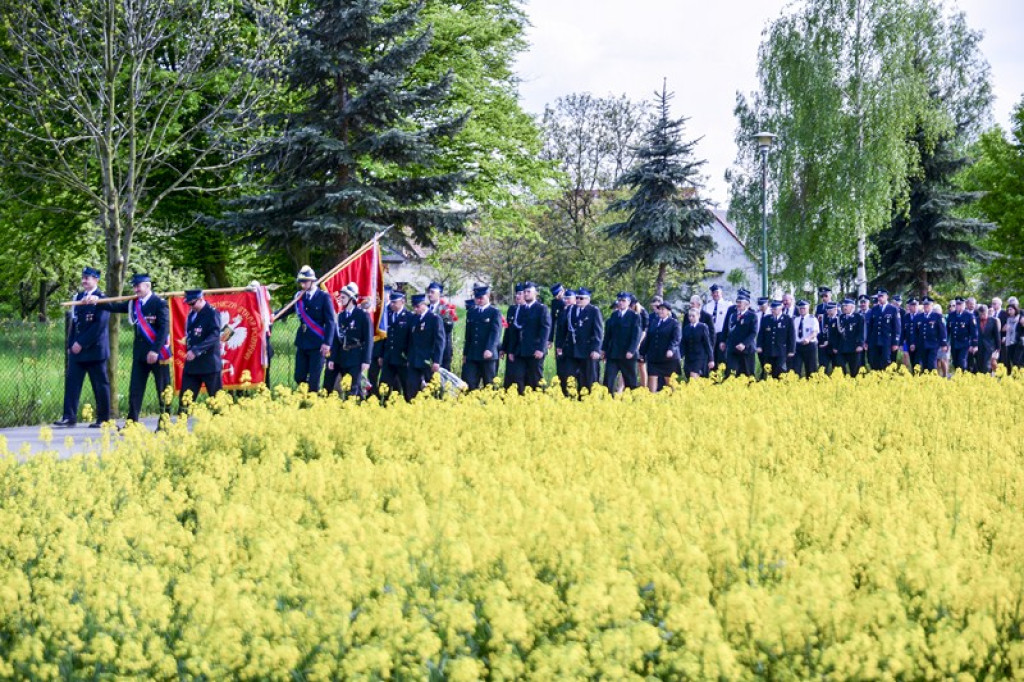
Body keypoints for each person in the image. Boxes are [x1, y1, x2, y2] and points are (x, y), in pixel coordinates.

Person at [90, 273, 171, 425]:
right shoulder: (134, 303)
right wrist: (98, 299)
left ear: (147, 286)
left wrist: (155, 350)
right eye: (134, 286)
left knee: (163, 389)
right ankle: (132, 423)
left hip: (158, 354)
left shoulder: (159, 303)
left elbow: (164, 329)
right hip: (140, 355)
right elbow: (113, 306)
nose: (135, 289)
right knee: (135, 390)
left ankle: (165, 423)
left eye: (138, 286)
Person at [54, 266, 111, 428]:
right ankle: (69, 416)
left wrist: (81, 343)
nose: (84, 281)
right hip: (77, 352)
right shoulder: (78, 297)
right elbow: (75, 323)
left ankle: (103, 419)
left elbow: (99, 326)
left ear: (96, 280)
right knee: (72, 384)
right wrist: (71, 344)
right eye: (83, 278)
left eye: (88, 278)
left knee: (100, 385)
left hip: (95, 350)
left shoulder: (102, 299)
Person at [275, 266, 337, 391]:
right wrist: (273, 316)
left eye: (305, 282)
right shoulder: (299, 296)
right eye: (301, 282)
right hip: (302, 342)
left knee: (314, 380)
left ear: (312, 281)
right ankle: (305, 394)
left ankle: (312, 400)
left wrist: (327, 343)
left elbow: (331, 322)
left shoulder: (323, 297)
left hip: (318, 344)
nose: (302, 285)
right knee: (299, 376)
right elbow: (288, 309)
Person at [178, 289, 222, 409]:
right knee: (185, 400)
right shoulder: (192, 314)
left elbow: (214, 335)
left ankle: (222, 419)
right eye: (188, 304)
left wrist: (197, 350)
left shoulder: (212, 313)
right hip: (192, 365)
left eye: (193, 303)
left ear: (201, 299)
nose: (191, 306)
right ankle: (181, 419)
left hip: (209, 363)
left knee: (217, 401)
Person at [327, 282, 373, 397]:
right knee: (349, 387)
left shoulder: (363, 315)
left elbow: (368, 339)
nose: (341, 299)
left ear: (351, 299)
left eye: (343, 297)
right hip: (343, 357)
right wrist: (332, 358)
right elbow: (337, 340)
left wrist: (366, 360)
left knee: (353, 388)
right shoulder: (341, 316)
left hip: (356, 356)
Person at [403, 293, 444, 400]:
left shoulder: (434, 318)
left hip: (428, 359)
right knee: (411, 387)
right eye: (414, 307)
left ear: (424, 305)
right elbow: (410, 340)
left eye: (417, 306)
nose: (415, 309)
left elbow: (439, 341)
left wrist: (437, 360)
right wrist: (409, 357)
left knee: (432, 388)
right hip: (414, 359)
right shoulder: (414, 319)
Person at [462, 284, 503, 390]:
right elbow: (468, 335)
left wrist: (490, 348)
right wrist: (465, 353)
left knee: (489, 384)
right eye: (477, 298)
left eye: (481, 297)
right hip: (473, 354)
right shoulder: (471, 312)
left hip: (487, 354)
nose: (479, 300)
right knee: (469, 383)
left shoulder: (494, 312)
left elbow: (495, 332)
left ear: (488, 296)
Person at [602, 292, 642, 393]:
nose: (621, 303)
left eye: (623, 300)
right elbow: (608, 335)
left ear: (628, 302)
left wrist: (631, 350)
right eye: (619, 300)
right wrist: (604, 349)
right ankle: (608, 399)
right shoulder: (614, 315)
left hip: (627, 354)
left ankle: (633, 399)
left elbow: (636, 336)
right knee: (608, 379)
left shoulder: (634, 316)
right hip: (613, 353)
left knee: (630, 381)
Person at [516, 282, 551, 392]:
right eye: (524, 292)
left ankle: (539, 399)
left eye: (528, 291)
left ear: (536, 293)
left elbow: (545, 329)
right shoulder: (521, 309)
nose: (526, 294)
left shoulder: (541, 308)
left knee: (536, 379)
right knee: (521, 379)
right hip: (522, 350)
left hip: (535, 350)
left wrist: (541, 349)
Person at [640, 301, 681, 391]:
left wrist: (671, 349)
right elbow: (648, 338)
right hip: (654, 356)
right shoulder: (654, 322)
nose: (661, 311)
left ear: (668, 311)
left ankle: (677, 397)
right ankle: (652, 398)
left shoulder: (674, 323)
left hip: (668, 358)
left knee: (670, 382)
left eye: (663, 309)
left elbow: (676, 338)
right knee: (652, 378)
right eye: (659, 309)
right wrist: (642, 353)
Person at [379, 291, 412, 396]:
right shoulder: (387, 316)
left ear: (402, 302)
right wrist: (381, 355)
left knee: (407, 386)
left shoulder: (409, 317)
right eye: (391, 302)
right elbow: (384, 337)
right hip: (389, 357)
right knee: (384, 385)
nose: (392, 305)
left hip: (402, 358)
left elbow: (411, 339)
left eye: (394, 302)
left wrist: (409, 357)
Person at [571, 287, 604, 392]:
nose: (578, 300)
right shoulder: (573, 310)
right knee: (579, 377)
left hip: (589, 348)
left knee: (590, 378)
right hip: (576, 348)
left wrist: (596, 349)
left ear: (588, 299)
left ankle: (591, 397)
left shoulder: (594, 310)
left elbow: (598, 331)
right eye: (577, 298)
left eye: (581, 298)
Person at [756, 300, 795, 379]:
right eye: (772, 309)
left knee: (779, 369)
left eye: (775, 309)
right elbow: (761, 334)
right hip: (768, 349)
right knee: (768, 370)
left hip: (781, 350)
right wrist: (759, 346)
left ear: (780, 308)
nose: (773, 311)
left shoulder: (787, 319)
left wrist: (791, 350)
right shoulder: (766, 319)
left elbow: (791, 336)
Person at [724, 293, 758, 377]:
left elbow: (753, 332)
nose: (738, 304)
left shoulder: (752, 316)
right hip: (733, 349)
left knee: (748, 374)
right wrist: (725, 342)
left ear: (747, 304)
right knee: (730, 373)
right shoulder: (733, 315)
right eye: (737, 302)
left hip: (747, 350)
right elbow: (729, 330)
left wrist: (744, 344)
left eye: (740, 302)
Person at [867, 288, 901, 370]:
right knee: (874, 361)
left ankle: (886, 377)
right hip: (875, 340)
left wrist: (895, 343)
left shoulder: (893, 309)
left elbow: (897, 327)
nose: (880, 298)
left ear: (887, 297)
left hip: (887, 340)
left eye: (882, 296)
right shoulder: (874, 309)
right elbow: (870, 327)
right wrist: (867, 341)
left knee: (886, 361)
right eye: (879, 296)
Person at [554, 289, 579, 395]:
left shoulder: (577, 311)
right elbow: (560, 331)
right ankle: (565, 394)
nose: (566, 301)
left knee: (576, 374)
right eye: (565, 299)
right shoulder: (562, 311)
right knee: (563, 373)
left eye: (569, 299)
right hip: (564, 347)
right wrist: (559, 346)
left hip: (576, 348)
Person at [913, 297, 948, 373]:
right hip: (922, 343)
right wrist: (913, 343)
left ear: (931, 306)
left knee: (931, 363)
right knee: (924, 364)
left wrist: (944, 343)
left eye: (928, 305)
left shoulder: (937, 316)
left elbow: (942, 331)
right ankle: (926, 378)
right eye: (925, 305)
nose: (926, 307)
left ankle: (933, 378)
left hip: (933, 343)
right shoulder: (918, 317)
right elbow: (915, 332)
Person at [501, 283, 525, 390]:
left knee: (520, 378)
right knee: (509, 377)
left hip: (523, 350)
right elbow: (508, 330)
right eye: (516, 294)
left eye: (520, 293)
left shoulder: (528, 309)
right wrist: (504, 348)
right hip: (511, 348)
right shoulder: (512, 309)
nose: (517, 296)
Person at [426, 281, 455, 371]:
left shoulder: (446, 309)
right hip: (427, 349)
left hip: (443, 349)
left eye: (432, 292)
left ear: (439, 294)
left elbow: (448, 328)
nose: (429, 294)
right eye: (429, 292)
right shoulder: (425, 308)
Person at [680, 307, 714, 379]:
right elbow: (683, 343)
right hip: (689, 357)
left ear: (698, 316)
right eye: (689, 316)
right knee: (689, 376)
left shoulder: (703, 327)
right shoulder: (686, 328)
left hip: (699, 357)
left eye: (693, 316)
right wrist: (680, 355)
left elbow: (707, 344)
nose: (691, 318)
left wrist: (711, 359)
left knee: (693, 375)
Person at [835, 298, 865, 377]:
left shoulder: (858, 317)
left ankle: (854, 383)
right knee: (840, 368)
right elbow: (837, 334)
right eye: (843, 306)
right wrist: (835, 346)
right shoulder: (840, 317)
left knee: (854, 370)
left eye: (846, 306)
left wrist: (860, 344)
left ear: (852, 307)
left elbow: (861, 332)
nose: (844, 308)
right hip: (842, 347)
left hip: (854, 347)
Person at [947, 297, 978, 373]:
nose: (959, 306)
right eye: (957, 304)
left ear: (964, 305)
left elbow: (974, 331)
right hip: (954, 343)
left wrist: (974, 345)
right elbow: (947, 330)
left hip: (964, 343)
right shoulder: (951, 315)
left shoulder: (969, 315)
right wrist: (945, 342)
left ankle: (963, 376)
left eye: (960, 304)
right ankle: (959, 376)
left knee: (962, 362)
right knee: (955, 362)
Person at [703, 285, 731, 368]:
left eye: (717, 292)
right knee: (711, 357)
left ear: (721, 293)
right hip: (710, 335)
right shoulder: (707, 306)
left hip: (722, 334)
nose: (715, 294)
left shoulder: (728, 305)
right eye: (713, 293)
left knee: (723, 357)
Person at [791, 299, 820, 377]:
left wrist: (808, 338)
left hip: (809, 346)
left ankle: (812, 383)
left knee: (811, 369)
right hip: (798, 346)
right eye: (800, 308)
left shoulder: (812, 319)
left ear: (808, 308)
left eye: (804, 308)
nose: (802, 310)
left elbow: (815, 332)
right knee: (795, 369)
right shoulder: (796, 319)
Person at [975, 304, 1001, 375]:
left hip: (990, 347)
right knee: (980, 365)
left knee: (986, 365)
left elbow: (997, 335)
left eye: (984, 314)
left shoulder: (993, 321)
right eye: (981, 314)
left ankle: (988, 377)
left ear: (987, 312)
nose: (982, 316)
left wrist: (998, 349)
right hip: (979, 346)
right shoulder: (975, 320)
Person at [819, 302, 839, 375]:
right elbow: (822, 332)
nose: (828, 312)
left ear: (835, 309)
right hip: (825, 348)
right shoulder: (825, 319)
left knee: (836, 369)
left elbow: (838, 335)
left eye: (830, 310)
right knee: (823, 368)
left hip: (835, 347)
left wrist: (834, 346)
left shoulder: (839, 319)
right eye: (827, 310)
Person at [1003, 302, 1023, 371]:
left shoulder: (1020, 318)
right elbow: (1003, 330)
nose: (1009, 311)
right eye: (1008, 310)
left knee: (1017, 361)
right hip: (1009, 343)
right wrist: (1004, 329)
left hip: (1019, 342)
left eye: (1011, 309)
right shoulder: (1008, 319)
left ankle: (1019, 375)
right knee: (1011, 361)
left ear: (1015, 310)